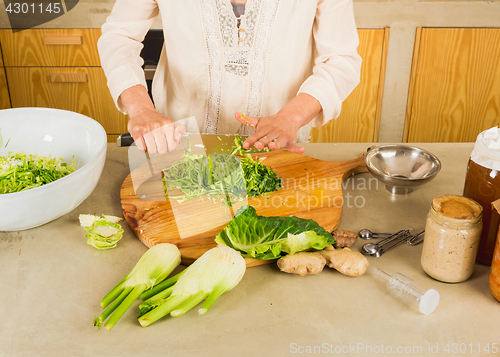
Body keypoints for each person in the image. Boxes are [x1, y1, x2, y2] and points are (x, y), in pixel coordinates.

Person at [98, 0, 361, 154]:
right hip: (180, 145)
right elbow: (119, 36)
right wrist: (141, 109)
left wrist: (290, 118)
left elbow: (340, 59)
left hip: (276, 147)